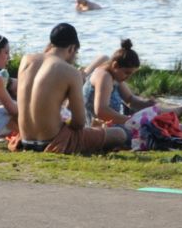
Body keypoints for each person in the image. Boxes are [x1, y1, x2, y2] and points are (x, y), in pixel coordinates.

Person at [13, 22, 126, 153]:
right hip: (53, 142)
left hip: (26, 140)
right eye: (76, 52)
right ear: (72, 48)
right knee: (119, 134)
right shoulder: (70, 72)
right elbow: (78, 123)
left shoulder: (26, 60)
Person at [84, 40, 156, 127]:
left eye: (131, 74)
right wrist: (130, 120)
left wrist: (146, 104)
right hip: (96, 126)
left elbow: (129, 99)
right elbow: (101, 111)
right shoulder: (104, 76)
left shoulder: (115, 75)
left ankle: (176, 111)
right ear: (115, 65)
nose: (128, 77)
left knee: (155, 115)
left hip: (110, 124)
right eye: (127, 73)